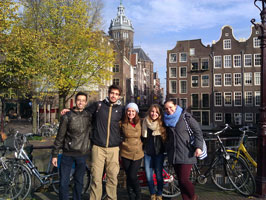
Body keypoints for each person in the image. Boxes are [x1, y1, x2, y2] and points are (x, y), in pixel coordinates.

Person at [52, 92, 92, 200]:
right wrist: (55, 154)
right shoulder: (67, 117)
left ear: (86, 102)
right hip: (67, 153)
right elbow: (60, 136)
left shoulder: (88, 116)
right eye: (79, 100)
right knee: (64, 182)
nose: (81, 102)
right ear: (75, 101)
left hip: (82, 154)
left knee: (79, 183)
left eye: (83, 100)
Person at [163, 100, 203, 200]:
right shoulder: (165, 120)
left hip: (187, 152)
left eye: (171, 107)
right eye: (166, 108)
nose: (169, 110)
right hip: (174, 154)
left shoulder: (186, 117)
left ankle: (193, 196)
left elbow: (198, 131)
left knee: (184, 179)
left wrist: (199, 147)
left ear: (176, 106)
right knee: (180, 182)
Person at [142, 104, 167, 200]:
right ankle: (152, 193)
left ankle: (159, 193)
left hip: (158, 153)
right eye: (152, 111)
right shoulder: (145, 122)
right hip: (147, 152)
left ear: (159, 113)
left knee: (159, 175)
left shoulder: (162, 124)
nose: (154, 114)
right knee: (148, 175)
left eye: (156, 112)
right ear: (149, 112)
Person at [120, 103, 144, 200]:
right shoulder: (121, 123)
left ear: (136, 112)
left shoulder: (141, 122)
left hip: (138, 152)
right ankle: (131, 196)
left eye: (133, 111)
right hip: (125, 152)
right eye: (129, 111)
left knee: (132, 175)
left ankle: (138, 194)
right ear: (126, 112)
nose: (130, 113)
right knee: (128, 176)